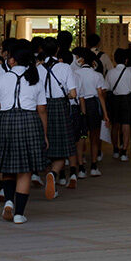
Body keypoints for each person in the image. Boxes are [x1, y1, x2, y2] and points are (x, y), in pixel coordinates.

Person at [0, 39, 46, 224]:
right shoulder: (35, 79)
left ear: (12, 60)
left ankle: (8, 202)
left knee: (7, 165)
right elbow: (42, 110)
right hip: (29, 121)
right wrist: (44, 134)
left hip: (5, 121)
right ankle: (20, 213)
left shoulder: (1, 79)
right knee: (25, 170)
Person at [38, 40, 78, 194]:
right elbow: (73, 93)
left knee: (46, 144)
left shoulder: (38, 69)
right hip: (60, 107)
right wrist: (66, 95)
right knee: (62, 147)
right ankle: (53, 174)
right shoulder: (65, 67)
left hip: (42, 106)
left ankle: (50, 177)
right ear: (58, 49)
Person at [70, 48, 108, 179]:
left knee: (81, 137)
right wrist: (105, 113)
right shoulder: (97, 75)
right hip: (93, 104)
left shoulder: (75, 74)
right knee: (94, 136)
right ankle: (94, 166)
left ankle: (80, 168)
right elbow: (101, 95)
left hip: (79, 105)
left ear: (82, 59)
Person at [104, 51, 131, 161]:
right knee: (126, 125)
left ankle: (115, 149)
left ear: (115, 59)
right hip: (127, 100)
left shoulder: (110, 73)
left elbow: (106, 89)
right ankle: (124, 152)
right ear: (126, 60)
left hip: (114, 100)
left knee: (115, 125)